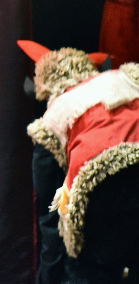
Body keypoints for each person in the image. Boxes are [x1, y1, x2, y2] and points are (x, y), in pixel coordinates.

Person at [21, 40, 139, 283]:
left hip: (99, 184)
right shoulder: (124, 77)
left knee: (89, 264)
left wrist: (48, 274)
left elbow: (49, 211)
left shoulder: (54, 116)